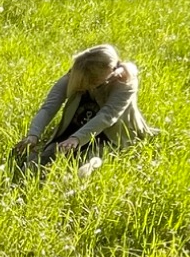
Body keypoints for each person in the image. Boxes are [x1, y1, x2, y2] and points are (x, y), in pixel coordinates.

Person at [13, 45, 147, 167]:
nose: (89, 86)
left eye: (94, 82)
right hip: (78, 125)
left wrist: (77, 139)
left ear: (109, 71)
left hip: (111, 134)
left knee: (81, 162)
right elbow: (48, 108)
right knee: (49, 154)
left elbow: (107, 116)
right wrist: (33, 135)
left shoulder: (125, 83)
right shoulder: (76, 75)